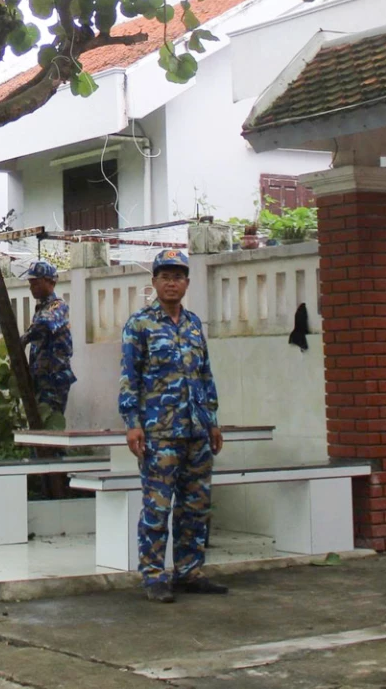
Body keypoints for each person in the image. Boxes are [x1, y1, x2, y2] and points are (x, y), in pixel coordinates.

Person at [120, 249, 228, 603]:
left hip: (196, 431)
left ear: (187, 283)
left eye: (178, 277)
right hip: (159, 433)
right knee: (157, 508)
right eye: (165, 277)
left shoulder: (194, 324)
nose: (171, 283)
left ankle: (189, 571)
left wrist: (212, 422)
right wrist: (133, 424)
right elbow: (129, 378)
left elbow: (205, 375)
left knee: (195, 507)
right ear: (154, 282)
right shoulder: (140, 325)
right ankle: (153, 576)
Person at [22, 259, 74, 420]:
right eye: (31, 283)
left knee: (50, 423)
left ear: (50, 282)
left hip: (53, 379)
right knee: (39, 425)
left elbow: (45, 323)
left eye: (36, 283)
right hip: (40, 379)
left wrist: (24, 338)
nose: (32, 287)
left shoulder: (58, 306)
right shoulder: (41, 309)